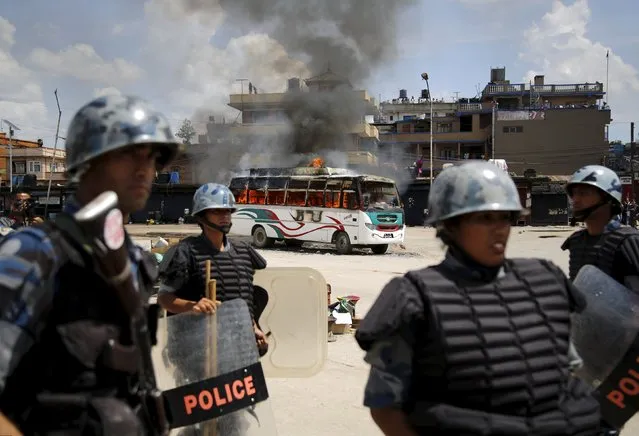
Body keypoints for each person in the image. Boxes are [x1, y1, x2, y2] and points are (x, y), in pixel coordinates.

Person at [355, 161, 601, 436]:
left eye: (505, 218)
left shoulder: (545, 281)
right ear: (450, 225)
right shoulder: (415, 297)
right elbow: (384, 405)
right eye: (484, 218)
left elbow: (568, 372)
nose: (499, 229)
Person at [0, 94, 181, 435]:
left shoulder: (134, 261)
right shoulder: (36, 253)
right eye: (129, 154)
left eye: (153, 157)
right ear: (88, 162)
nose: (145, 168)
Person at [157, 182, 269, 356]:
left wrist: (253, 328)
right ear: (202, 216)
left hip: (239, 349)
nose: (224, 216)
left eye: (227, 211)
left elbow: (242, 298)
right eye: (216, 211)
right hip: (198, 352)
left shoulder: (243, 251)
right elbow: (164, 298)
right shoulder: (185, 252)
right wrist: (192, 306)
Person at [561, 165, 639, 285]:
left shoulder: (628, 242)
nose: (575, 199)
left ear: (607, 198)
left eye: (584, 193)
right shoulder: (576, 240)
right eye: (574, 193)